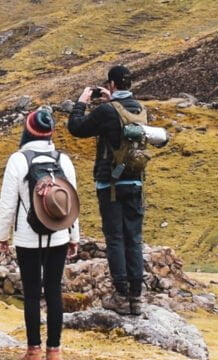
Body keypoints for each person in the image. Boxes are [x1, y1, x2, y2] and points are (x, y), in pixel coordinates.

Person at [0, 105, 80, 360]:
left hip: (27, 236)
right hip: (58, 234)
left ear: (28, 130)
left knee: (32, 294)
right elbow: (73, 202)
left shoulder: (18, 160)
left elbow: (8, 205)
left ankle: (33, 352)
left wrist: (3, 237)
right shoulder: (62, 159)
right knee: (54, 291)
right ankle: (54, 352)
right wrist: (74, 235)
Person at [66, 65, 147, 316]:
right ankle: (136, 296)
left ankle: (120, 294)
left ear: (111, 84)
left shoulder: (106, 111)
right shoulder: (141, 109)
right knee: (133, 238)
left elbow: (77, 128)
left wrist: (81, 102)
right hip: (136, 181)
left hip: (110, 183)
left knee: (115, 238)